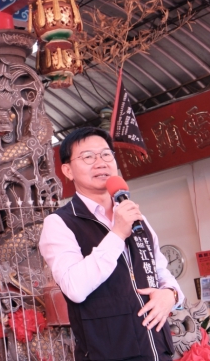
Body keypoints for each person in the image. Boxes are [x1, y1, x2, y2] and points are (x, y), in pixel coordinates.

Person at [39, 127, 182, 361]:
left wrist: (171, 294)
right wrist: (117, 234)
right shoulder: (59, 223)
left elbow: (160, 271)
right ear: (67, 170)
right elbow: (74, 288)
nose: (101, 163)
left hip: (158, 351)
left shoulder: (135, 216)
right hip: (108, 353)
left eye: (106, 155)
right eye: (88, 157)